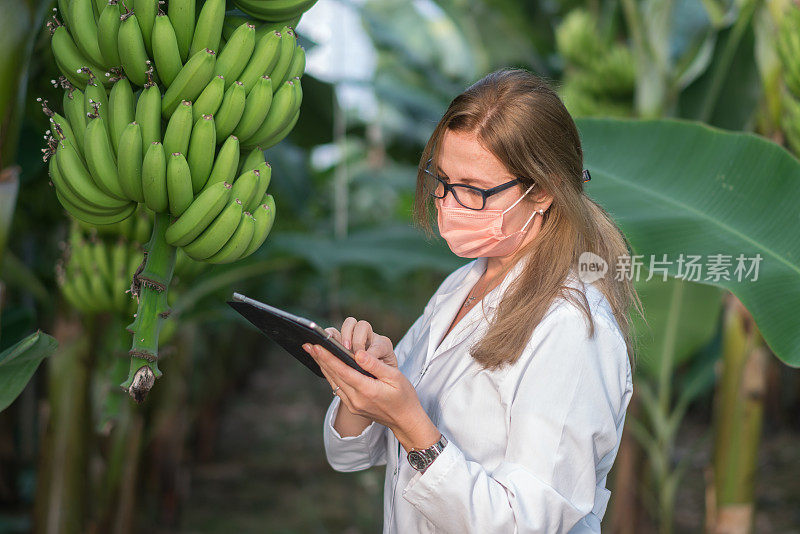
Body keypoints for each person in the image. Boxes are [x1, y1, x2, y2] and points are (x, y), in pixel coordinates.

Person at [301, 67, 642, 533]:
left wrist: (411, 424)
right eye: (442, 180)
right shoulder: (462, 284)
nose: (448, 203)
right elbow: (352, 454)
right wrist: (365, 387)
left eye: (474, 190)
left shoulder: (572, 329)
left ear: (541, 190)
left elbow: (526, 523)